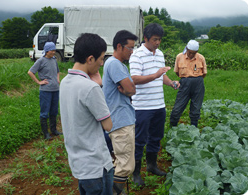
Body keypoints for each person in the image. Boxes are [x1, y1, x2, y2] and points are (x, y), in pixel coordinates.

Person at [59, 33, 114, 195]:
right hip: (96, 165)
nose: (102, 63)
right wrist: (99, 86)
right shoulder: (90, 88)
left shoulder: (65, 82)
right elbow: (108, 125)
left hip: (79, 163)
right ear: (90, 59)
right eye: (101, 59)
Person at [129, 23, 180, 186]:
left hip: (159, 105)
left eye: (160, 40)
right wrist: (156, 74)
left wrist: (171, 82)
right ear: (146, 38)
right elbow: (135, 79)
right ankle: (136, 173)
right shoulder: (137, 55)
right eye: (155, 39)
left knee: (156, 137)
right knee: (139, 140)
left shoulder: (160, 54)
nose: (158, 43)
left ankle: (151, 166)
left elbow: (161, 76)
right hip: (142, 107)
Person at [102, 30, 137, 194]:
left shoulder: (114, 63)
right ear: (119, 46)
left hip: (119, 118)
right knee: (126, 165)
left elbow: (130, 89)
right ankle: (113, 191)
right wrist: (129, 90)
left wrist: (129, 90)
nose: (132, 52)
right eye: (130, 48)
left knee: (120, 161)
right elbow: (131, 89)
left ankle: (115, 190)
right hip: (120, 120)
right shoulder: (115, 64)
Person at [28, 42, 62, 140]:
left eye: (54, 50)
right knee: (44, 112)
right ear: (47, 51)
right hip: (46, 90)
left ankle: (54, 130)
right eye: (52, 50)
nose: (54, 52)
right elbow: (30, 72)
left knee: (54, 111)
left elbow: (58, 71)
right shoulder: (41, 61)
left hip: (55, 89)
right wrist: (39, 82)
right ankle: (46, 134)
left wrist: (57, 79)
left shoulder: (54, 60)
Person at [170, 40, 207, 127]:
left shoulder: (201, 58)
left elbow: (204, 73)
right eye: (189, 52)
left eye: (193, 53)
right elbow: (177, 72)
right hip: (184, 83)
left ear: (197, 52)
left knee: (196, 107)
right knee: (178, 107)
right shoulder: (179, 57)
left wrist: (196, 79)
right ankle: (172, 127)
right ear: (186, 49)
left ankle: (194, 127)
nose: (191, 55)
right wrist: (186, 79)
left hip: (198, 83)